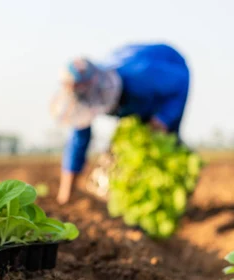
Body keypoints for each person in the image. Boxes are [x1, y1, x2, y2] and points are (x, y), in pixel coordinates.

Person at [52, 43, 190, 205]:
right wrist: (66, 193)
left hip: (167, 67)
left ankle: (173, 195)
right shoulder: (83, 99)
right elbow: (78, 140)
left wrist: (163, 118)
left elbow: (181, 81)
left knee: (163, 139)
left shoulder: (140, 78)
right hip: (135, 75)